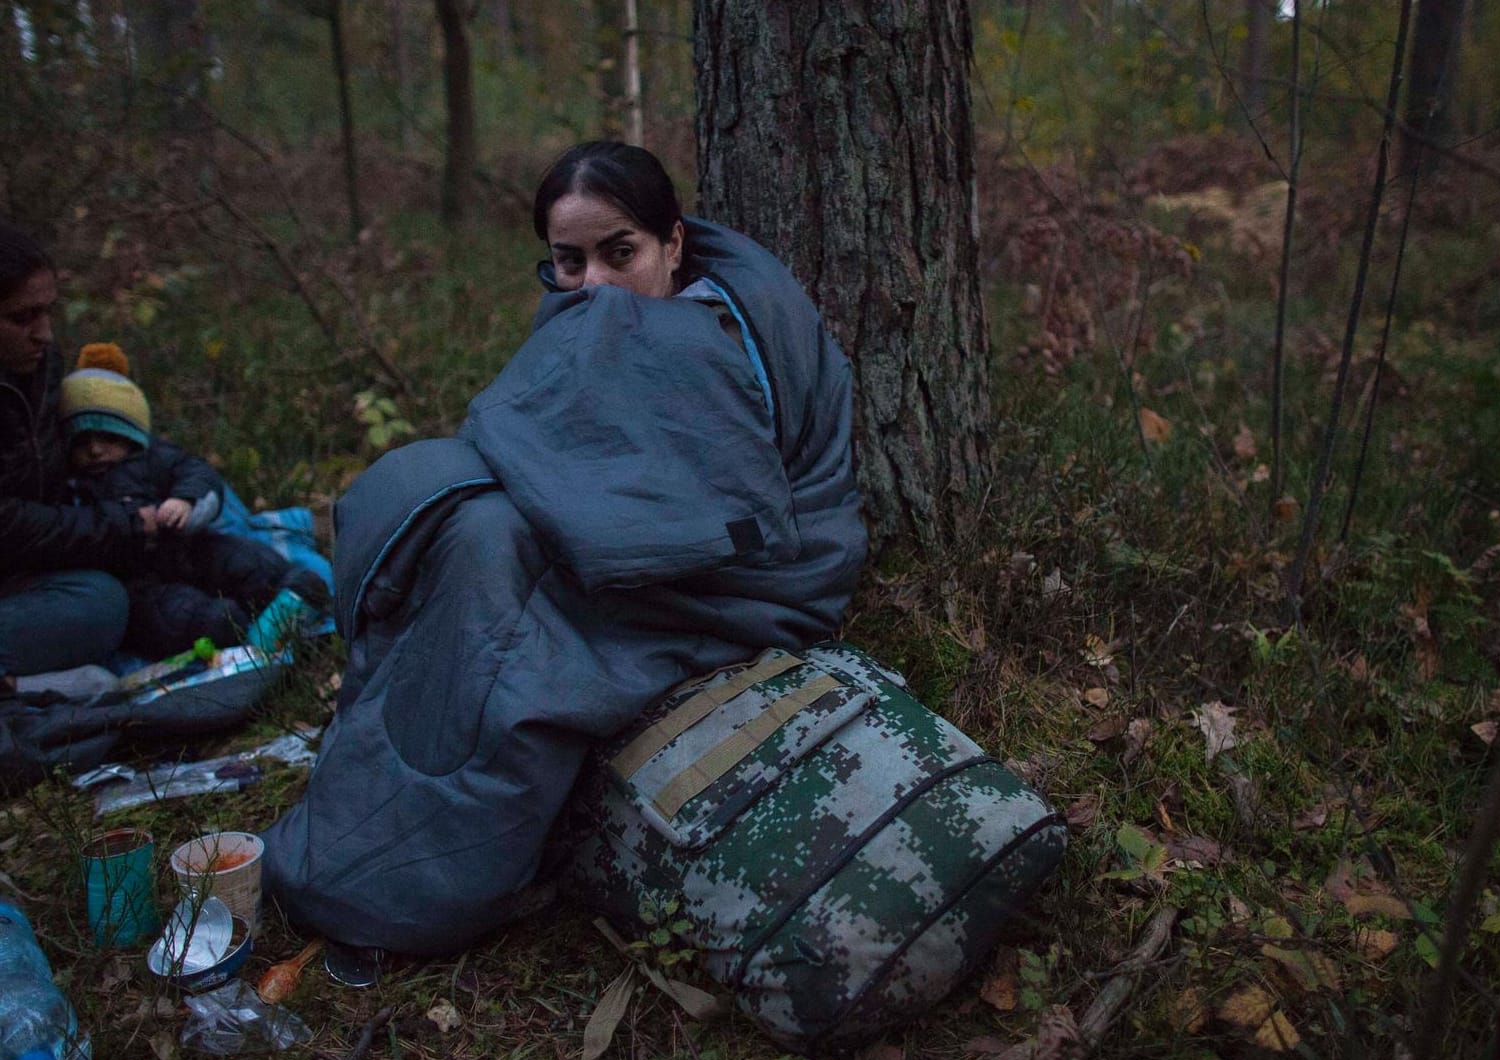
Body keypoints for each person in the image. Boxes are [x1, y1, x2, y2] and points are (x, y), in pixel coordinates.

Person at [264, 142, 868, 955]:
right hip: (640, 551)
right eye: (569, 261)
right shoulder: (610, 308)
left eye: (621, 253)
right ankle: (360, 841)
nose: (596, 286)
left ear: (674, 244)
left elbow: (702, 515)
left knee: (503, 601)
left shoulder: (706, 333)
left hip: (746, 581)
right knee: (471, 541)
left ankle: (402, 887)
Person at [58, 343, 328, 658]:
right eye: (83, 442)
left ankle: (296, 594)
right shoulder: (71, 485)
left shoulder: (153, 457)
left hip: (190, 545)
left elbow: (197, 473)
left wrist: (185, 502)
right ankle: (236, 632)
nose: (95, 451)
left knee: (243, 559)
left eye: (108, 438)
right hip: (139, 580)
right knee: (176, 614)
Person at [0, 222, 148, 687]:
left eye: (47, 312)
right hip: (17, 555)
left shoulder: (42, 370)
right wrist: (117, 526)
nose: (43, 333)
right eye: (23, 318)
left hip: (21, 573)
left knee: (103, 599)